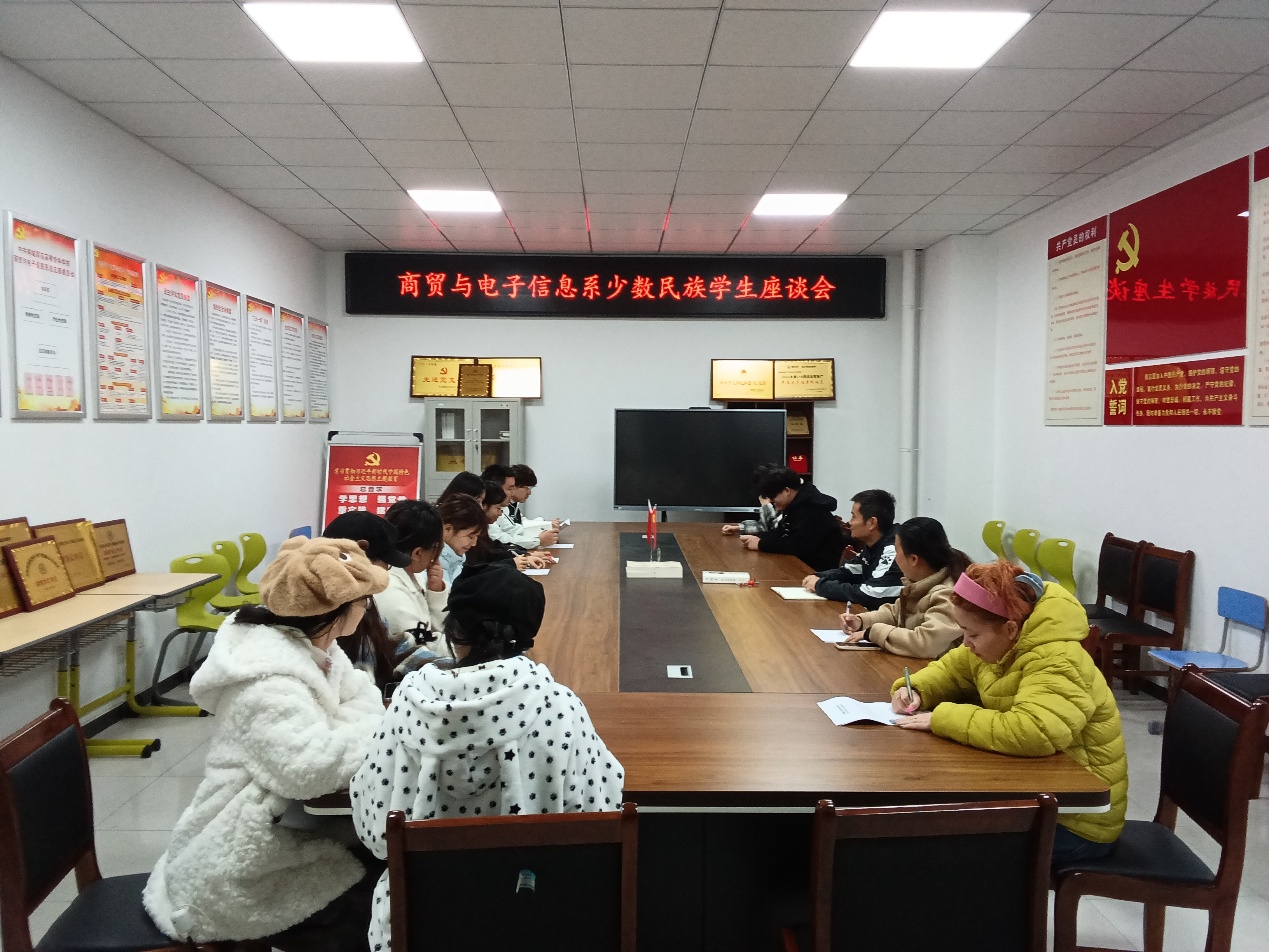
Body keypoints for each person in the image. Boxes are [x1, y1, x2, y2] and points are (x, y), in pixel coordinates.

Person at [351, 560, 624, 952]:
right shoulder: (559, 706)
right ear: (526, 636)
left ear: (453, 630)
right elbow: (600, 813)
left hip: (421, 925)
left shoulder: (408, 706)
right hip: (541, 923)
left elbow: (375, 833)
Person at [143, 537, 388, 951]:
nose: (367, 608)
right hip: (240, 855)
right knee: (384, 900)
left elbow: (364, 699)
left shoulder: (316, 648)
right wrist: (373, 731)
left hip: (286, 822)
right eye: (364, 600)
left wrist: (343, 731)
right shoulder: (266, 679)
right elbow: (307, 769)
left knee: (390, 866)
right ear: (338, 607)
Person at [890, 560, 1128, 865]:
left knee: (942, 846)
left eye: (972, 635)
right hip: (1037, 795)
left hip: (1075, 822)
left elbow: (1034, 731)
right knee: (931, 828)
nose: (966, 643)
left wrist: (943, 718)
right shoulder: (997, 641)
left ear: (1011, 628)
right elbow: (952, 670)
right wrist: (915, 689)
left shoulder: (1057, 659)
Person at [839, 516, 968, 658]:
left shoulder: (948, 594)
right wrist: (861, 621)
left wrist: (873, 632)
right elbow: (896, 613)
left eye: (897, 551)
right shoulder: (920, 582)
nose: (895, 558)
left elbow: (925, 643)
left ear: (913, 559)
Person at [323, 510, 413, 685]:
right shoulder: (323, 616)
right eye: (385, 565)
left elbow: (390, 646)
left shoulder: (364, 603)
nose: (386, 573)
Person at [375, 499, 450, 674]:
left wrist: (436, 593)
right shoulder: (390, 590)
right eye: (436, 548)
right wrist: (468, 650)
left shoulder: (413, 574)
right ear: (418, 552)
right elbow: (422, 648)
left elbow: (437, 630)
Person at [803, 489, 903, 609]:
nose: (849, 522)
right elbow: (851, 571)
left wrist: (820, 585)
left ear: (872, 523)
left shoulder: (894, 548)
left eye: (853, 517)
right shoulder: (874, 543)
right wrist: (819, 576)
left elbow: (873, 593)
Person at [739, 467, 841, 572]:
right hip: (802, 564)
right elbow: (781, 533)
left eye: (773, 496)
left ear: (786, 491)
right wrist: (759, 538)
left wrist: (761, 544)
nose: (771, 501)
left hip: (818, 571)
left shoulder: (810, 509)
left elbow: (798, 546)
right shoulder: (796, 504)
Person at [468, 479, 555, 571]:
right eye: (510, 488)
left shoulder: (509, 508)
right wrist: (516, 560)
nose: (512, 493)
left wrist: (525, 554)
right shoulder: (476, 527)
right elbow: (499, 543)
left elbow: (499, 545)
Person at [720, 462, 782, 537]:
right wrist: (739, 528)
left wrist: (766, 506)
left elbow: (776, 532)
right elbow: (764, 526)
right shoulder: (773, 501)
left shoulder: (786, 504)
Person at [437, 493, 486, 586]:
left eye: (476, 537)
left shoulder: (456, 560)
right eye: (470, 537)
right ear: (447, 529)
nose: (474, 543)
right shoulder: (428, 564)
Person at [507, 463, 562, 537]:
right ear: (514, 486)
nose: (529, 493)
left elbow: (522, 523)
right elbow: (512, 532)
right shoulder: (501, 507)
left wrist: (548, 525)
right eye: (527, 488)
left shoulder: (514, 504)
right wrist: (539, 540)